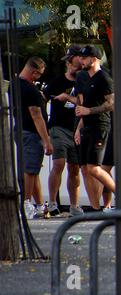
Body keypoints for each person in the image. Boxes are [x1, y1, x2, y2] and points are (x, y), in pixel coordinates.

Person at [74, 45, 115, 212]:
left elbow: (111, 103)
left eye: (85, 58)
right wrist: (78, 128)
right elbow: (84, 107)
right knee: (84, 168)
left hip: (100, 126)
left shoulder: (104, 78)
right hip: (87, 126)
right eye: (81, 58)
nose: (81, 60)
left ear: (94, 58)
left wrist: (89, 111)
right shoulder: (86, 78)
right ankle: (95, 207)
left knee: (94, 167)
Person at [44, 44, 84, 217]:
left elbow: (87, 104)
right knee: (59, 163)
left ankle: (74, 205)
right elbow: (41, 99)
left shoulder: (85, 82)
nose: (70, 63)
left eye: (72, 60)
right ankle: (52, 203)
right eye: (68, 61)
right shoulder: (57, 82)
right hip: (58, 127)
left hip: (76, 129)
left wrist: (69, 98)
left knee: (75, 168)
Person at [14, 57, 53, 219]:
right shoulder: (30, 90)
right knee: (30, 170)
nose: (39, 78)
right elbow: (36, 115)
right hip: (32, 132)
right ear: (34, 72)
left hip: (21, 130)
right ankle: (26, 203)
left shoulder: (15, 85)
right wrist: (46, 140)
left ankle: (39, 204)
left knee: (34, 169)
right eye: (39, 75)